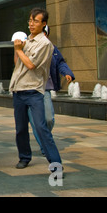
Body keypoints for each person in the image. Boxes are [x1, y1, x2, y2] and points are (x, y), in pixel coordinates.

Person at [9, 8, 63, 178]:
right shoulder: (26, 41)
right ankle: (24, 157)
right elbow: (18, 63)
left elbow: (31, 65)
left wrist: (19, 50)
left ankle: (56, 164)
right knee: (20, 128)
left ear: (44, 24)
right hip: (18, 90)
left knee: (41, 127)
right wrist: (17, 50)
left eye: (36, 21)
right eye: (30, 20)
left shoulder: (45, 44)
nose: (32, 24)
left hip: (34, 91)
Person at [28, 25, 75, 155]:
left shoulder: (52, 49)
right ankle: (45, 147)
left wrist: (66, 73)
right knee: (36, 121)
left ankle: (45, 140)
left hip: (45, 88)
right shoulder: (27, 46)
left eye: (44, 34)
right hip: (30, 89)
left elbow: (60, 62)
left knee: (49, 119)